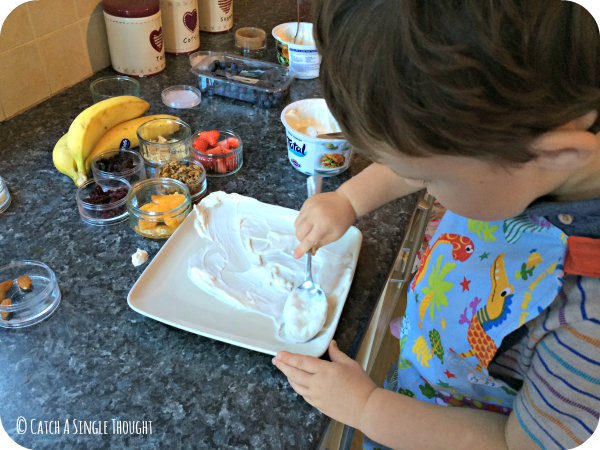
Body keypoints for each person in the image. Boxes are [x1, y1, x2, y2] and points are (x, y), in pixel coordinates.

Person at [272, 1, 600, 449]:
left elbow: (518, 445)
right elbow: (429, 154)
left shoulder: (586, 324)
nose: (417, 185)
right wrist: (348, 200)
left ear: (556, 154)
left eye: (427, 180)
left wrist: (366, 408)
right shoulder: (512, 155)